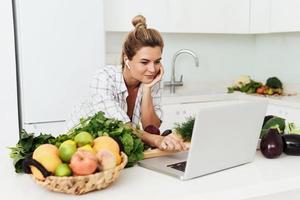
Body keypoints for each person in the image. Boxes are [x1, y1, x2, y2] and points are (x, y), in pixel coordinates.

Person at [70, 15, 187, 151]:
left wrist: (147, 88)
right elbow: (121, 126)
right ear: (127, 59)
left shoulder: (149, 80)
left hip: (109, 150)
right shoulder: (103, 78)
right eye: (144, 62)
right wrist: (155, 139)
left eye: (157, 62)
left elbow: (151, 128)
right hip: (76, 147)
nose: (152, 69)